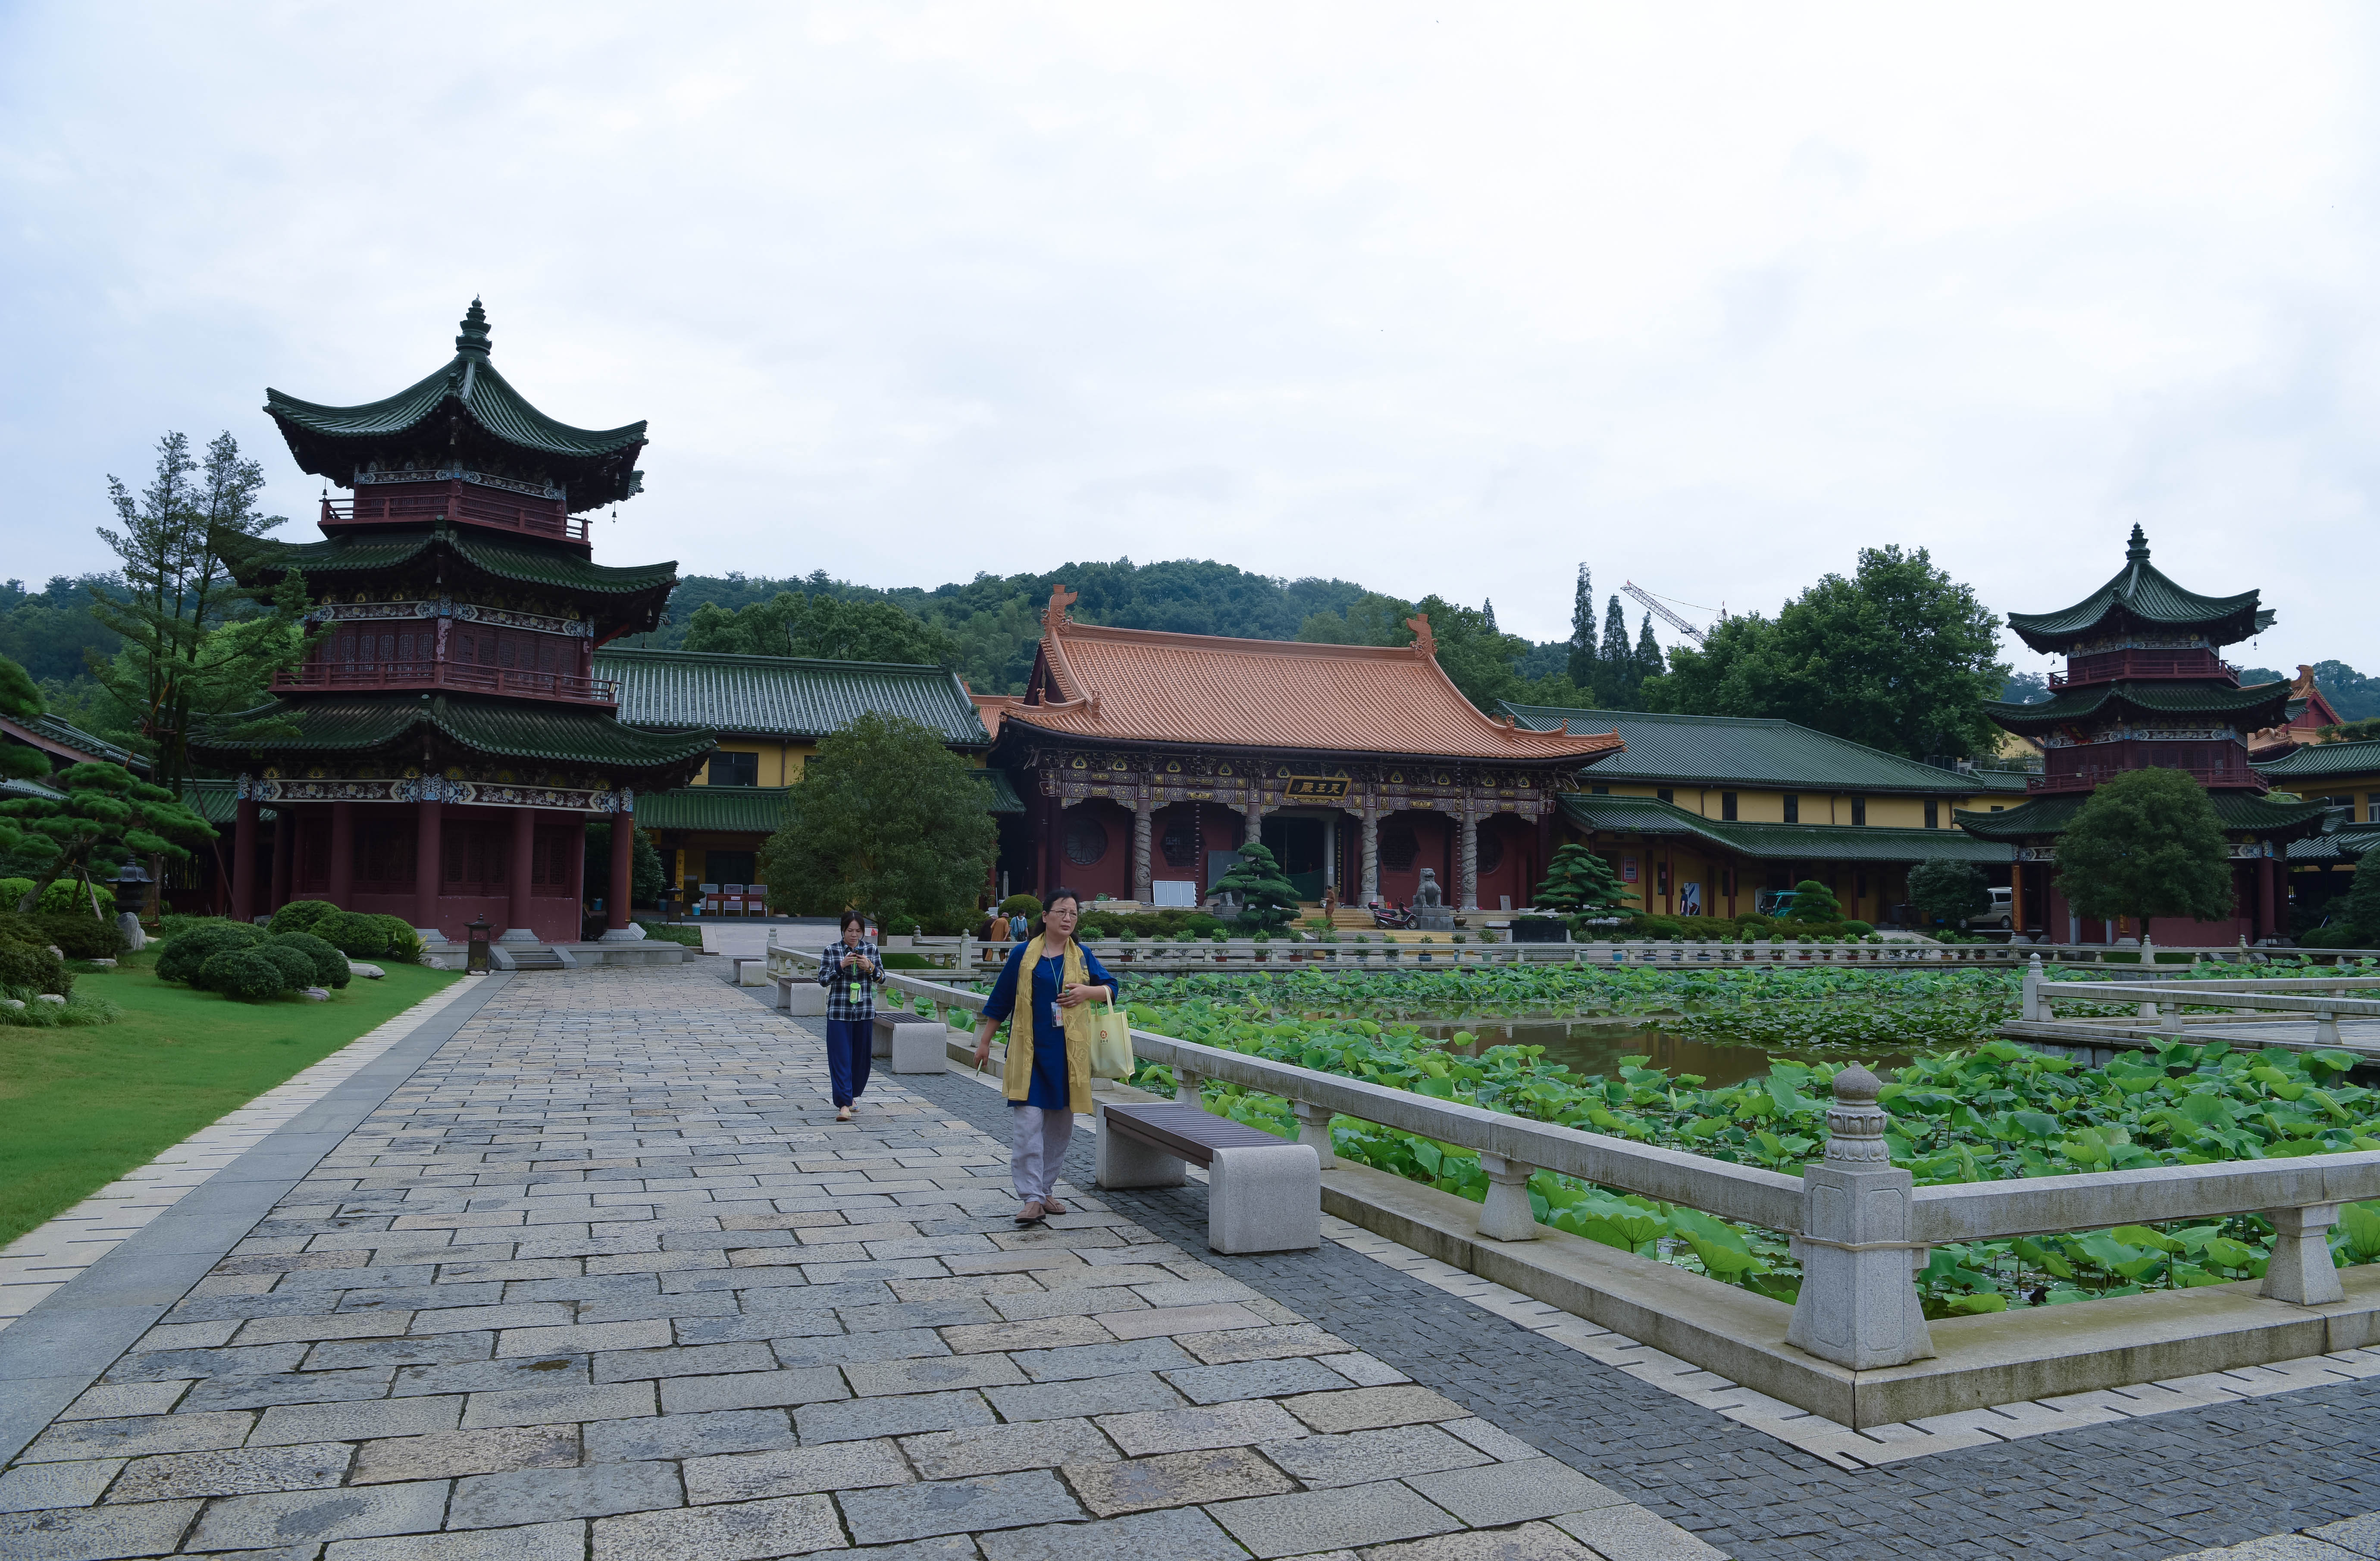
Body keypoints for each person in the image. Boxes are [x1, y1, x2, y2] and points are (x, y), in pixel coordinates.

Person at [974, 887, 1117, 1226]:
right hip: (1029, 1056)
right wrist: (984, 1042)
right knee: (1028, 1128)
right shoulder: (1024, 955)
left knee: (1059, 1130)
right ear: (1046, 915)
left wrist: (1086, 992)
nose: (1068, 919)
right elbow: (1001, 1000)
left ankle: (1045, 1189)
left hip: (1069, 1057)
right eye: (1062, 912)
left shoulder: (1081, 955)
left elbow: (1111, 988)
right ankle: (1031, 1198)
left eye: (1074, 914)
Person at [817, 911, 880, 1122]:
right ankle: (844, 1105)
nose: (854, 935)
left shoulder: (871, 950)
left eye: (858, 931)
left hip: (864, 1012)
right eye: (850, 931)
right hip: (839, 1013)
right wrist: (841, 966)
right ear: (843, 930)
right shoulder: (831, 951)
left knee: (861, 1061)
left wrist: (869, 967)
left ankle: (852, 1095)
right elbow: (823, 980)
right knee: (840, 1058)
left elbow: (882, 978)